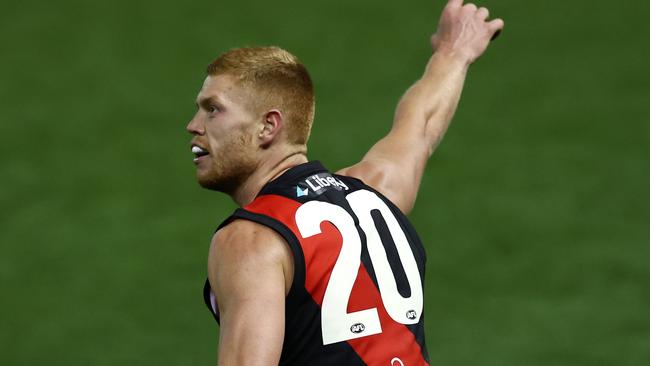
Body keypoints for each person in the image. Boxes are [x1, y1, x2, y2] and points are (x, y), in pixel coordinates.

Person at [186, 0, 503, 364]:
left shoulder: (251, 239)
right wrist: (454, 53)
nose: (194, 125)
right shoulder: (374, 191)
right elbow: (420, 126)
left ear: (268, 126)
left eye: (213, 109)